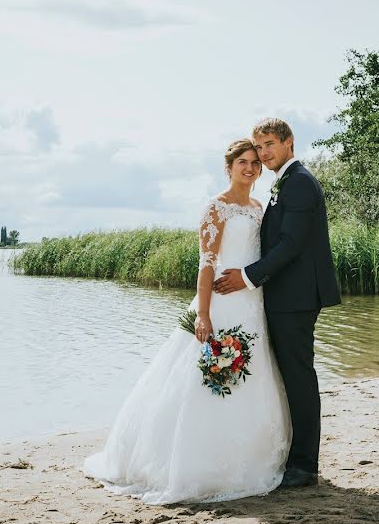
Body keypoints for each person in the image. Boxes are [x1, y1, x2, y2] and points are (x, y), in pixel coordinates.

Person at [82, 138, 292, 504]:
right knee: (207, 376)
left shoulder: (259, 207)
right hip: (223, 304)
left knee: (251, 376)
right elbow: (207, 263)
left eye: (255, 163)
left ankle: (250, 455)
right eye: (243, 162)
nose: (250, 168)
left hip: (252, 304)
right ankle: (194, 463)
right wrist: (204, 313)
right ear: (228, 167)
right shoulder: (216, 208)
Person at [214, 118, 341, 488]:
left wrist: (248, 276)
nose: (264, 152)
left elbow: (291, 243)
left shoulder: (299, 182)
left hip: (297, 296)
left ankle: (304, 466)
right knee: (289, 376)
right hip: (284, 294)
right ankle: (293, 457)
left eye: (269, 144)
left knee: (299, 377)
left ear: (289, 143)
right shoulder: (284, 182)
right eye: (259, 146)